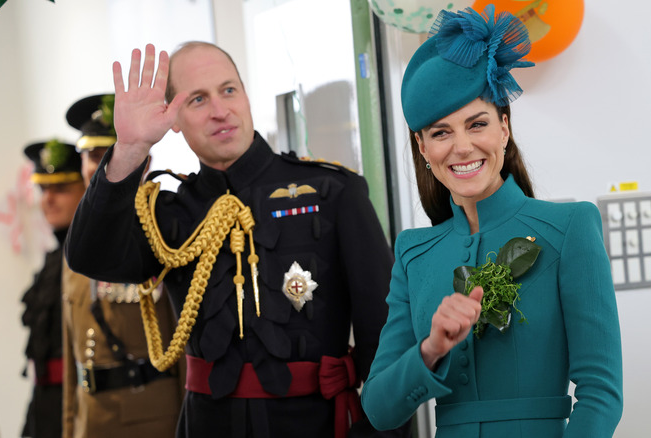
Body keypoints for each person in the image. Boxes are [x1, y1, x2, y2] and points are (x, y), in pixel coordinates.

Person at [65, 42, 410, 438]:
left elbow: (386, 341)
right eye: (197, 99)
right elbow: (89, 257)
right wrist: (129, 150)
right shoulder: (168, 214)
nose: (219, 110)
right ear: (173, 120)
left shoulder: (331, 192)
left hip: (316, 425)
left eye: (228, 90)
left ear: (246, 96)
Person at [361, 5, 623, 438]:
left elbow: (601, 392)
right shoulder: (413, 253)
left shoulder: (571, 227)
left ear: (503, 128)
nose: (461, 147)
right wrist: (431, 348)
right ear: (422, 148)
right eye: (441, 133)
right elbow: (378, 409)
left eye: (476, 124)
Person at [61, 93, 184, 438]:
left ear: (143, 162)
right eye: (92, 156)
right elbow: (73, 360)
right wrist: (70, 427)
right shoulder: (78, 237)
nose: (97, 167)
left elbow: (183, 340)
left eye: (108, 155)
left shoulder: (160, 231)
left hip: (153, 420)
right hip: (92, 421)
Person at [21, 139, 86, 438]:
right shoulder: (51, 259)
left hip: (80, 402)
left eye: (60, 189)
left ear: (86, 189)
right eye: (43, 189)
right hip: (44, 404)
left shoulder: (94, 260)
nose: (48, 199)